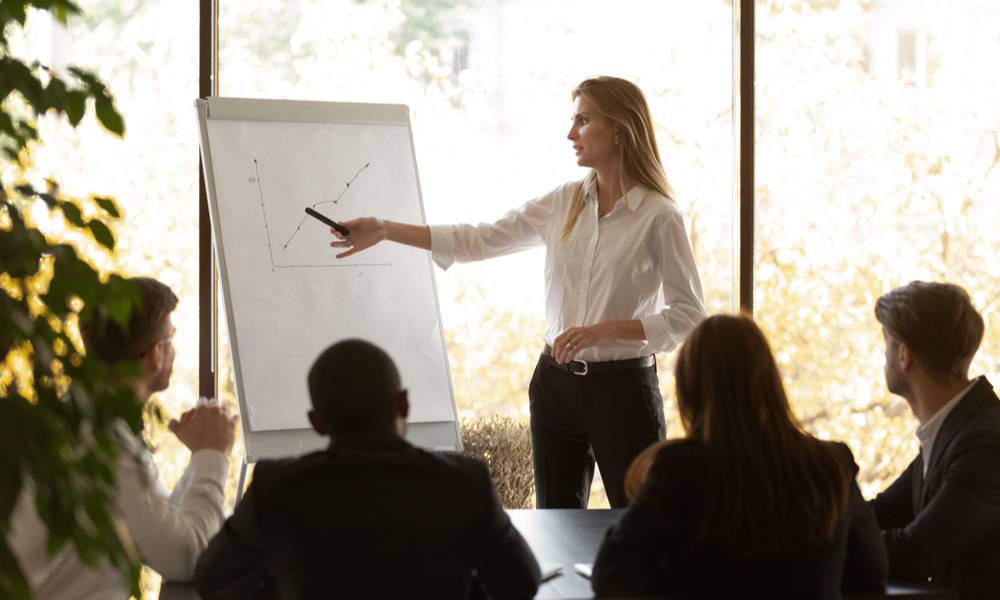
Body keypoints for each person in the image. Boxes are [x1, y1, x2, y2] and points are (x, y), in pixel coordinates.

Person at [328, 76, 706, 508]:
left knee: (640, 522)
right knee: (556, 524)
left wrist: (604, 331)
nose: (570, 134)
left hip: (623, 393)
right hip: (554, 387)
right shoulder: (563, 202)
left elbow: (689, 314)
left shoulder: (659, 216)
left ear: (619, 129)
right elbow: (481, 238)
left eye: (583, 121)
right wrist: (387, 229)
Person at [193, 339, 541, 600]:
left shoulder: (277, 487)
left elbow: (213, 580)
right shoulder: (465, 481)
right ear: (403, 403)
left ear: (316, 422)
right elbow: (522, 581)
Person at [591, 314, 887, 599]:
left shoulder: (680, 469)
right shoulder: (830, 464)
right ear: (771, 381)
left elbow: (612, 574)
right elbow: (870, 573)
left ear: (690, 389)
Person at [7, 277, 237, 598]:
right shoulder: (103, 444)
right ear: (156, 354)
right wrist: (212, 455)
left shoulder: (84, 421)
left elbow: (159, 528)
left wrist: (199, 459)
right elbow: (189, 557)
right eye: (170, 339)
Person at [870, 281, 1000, 599]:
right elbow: (882, 512)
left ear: (903, 355)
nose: (883, 357)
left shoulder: (985, 441)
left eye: (886, 344)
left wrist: (821, 551)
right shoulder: (954, 430)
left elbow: (919, 550)